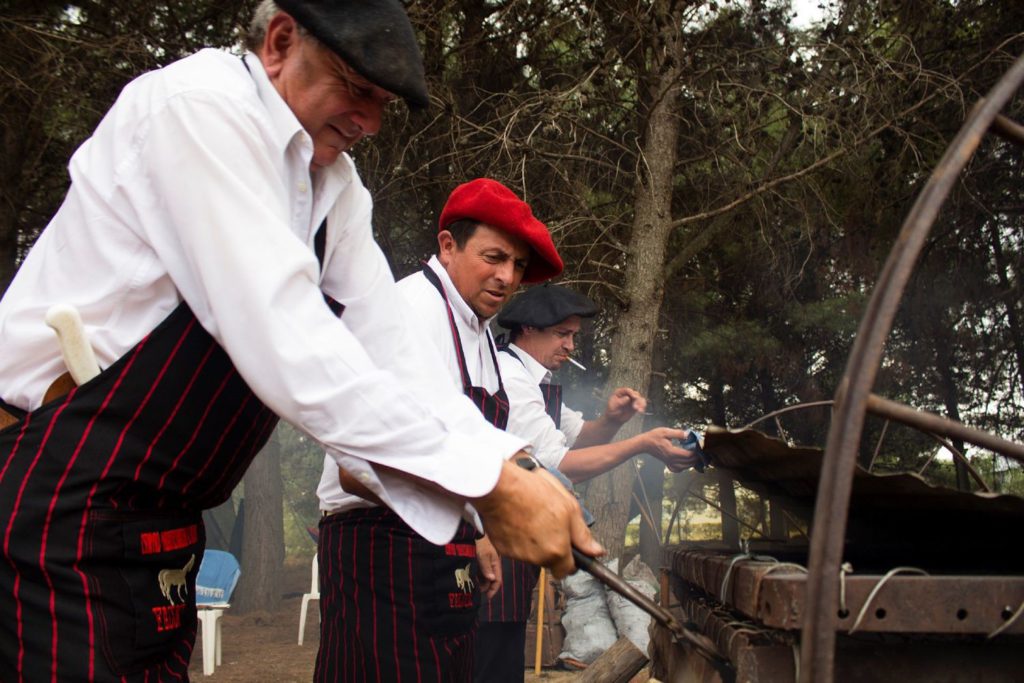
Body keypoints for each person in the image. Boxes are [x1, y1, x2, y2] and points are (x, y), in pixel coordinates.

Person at [0, 2, 599, 680]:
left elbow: (396, 359)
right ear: (281, 41)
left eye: (382, 103)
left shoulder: (336, 191)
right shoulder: (196, 110)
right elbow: (283, 331)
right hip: (54, 493)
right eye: (356, 87)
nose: (369, 121)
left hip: (158, 522)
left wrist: (506, 467)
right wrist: (487, 484)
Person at [315, 177, 566, 681]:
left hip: (442, 548)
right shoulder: (406, 312)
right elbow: (355, 469)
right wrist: (482, 505)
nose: (507, 276)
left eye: (518, 265)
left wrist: (478, 531)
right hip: (380, 547)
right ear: (448, 246)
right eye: (494, 257)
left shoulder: (481, 333)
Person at [474, 283, 700, 682]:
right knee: (490, 657)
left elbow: (577, 438)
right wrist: (642, 444)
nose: (570, 346)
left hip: (517, 540)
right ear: (528, 329)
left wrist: (612, 420)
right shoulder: (510, 378)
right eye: (562, 334)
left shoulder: (537, 380)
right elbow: (560, 464)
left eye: (574, 336)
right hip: (492, 532)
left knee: (505, 652)